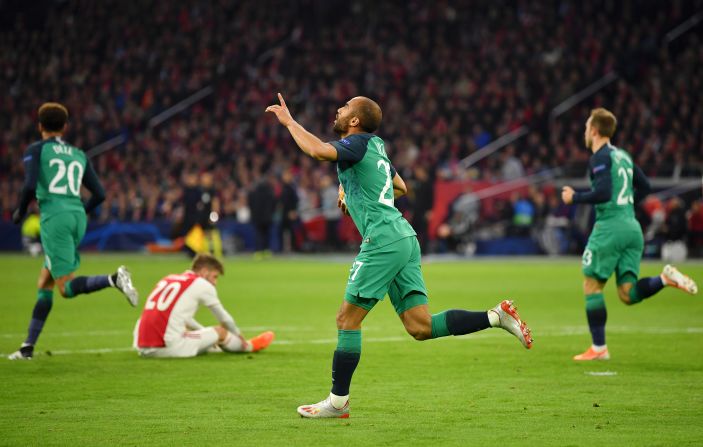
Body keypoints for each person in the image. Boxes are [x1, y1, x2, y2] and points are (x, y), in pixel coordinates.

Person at [266, 93, 533, 419]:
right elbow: (401, 187)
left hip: (383, 241)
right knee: (420, 326)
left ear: (354, 121)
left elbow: (316, 150)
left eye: (346, 106)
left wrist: (290, 122)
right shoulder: (376, 147)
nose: (339, 108)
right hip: (404, 237)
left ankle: (338, 403)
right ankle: (496, 316)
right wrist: (348, 189)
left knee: (346, 320)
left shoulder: (358, 143)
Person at [561, 108, 698, 361]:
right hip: (632, 228)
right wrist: (627, 205)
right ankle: (665, 280)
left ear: (594, 130)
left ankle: (599, 348)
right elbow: (645, 186)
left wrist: (574, 197)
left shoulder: (599, 157)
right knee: (627, 293)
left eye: (586, 127)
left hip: (610, 228)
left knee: (592, 285)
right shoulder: (622, 155)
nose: (585, 131)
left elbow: (602, 193)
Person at [8, 102, 138, 360]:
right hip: (78, 215)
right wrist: (77, 213)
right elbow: (99, 194)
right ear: (65, 127)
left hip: (55, 219)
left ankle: (114, 279)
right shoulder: (79, 154)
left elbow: (29, 185)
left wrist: (20, 212)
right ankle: (27, 348)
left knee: (65, 288)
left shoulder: (36, 150)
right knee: (44, 281)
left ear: (39, 126)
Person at [133, 254, 274, 358]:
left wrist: (205, 332)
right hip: (167, 348)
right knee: (220, 331)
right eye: (215, 276)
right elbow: (225, 319)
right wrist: (238, 335)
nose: (215, 282)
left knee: (188, 327)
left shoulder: (169, 278)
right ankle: (249, 347)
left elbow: (184, 318)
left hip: (142, 347)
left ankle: (214, 345)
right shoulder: (201, 284)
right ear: (205, 272)